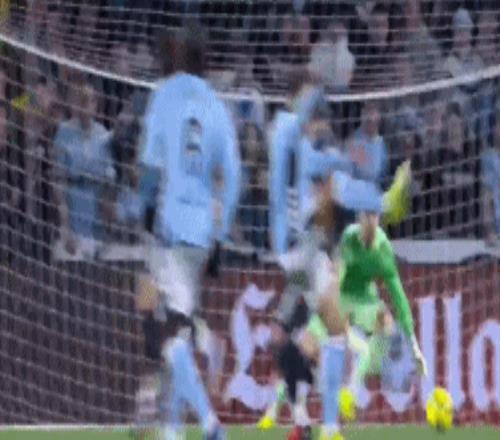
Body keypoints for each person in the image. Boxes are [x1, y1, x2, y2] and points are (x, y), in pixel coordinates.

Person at [263, 73, 412, 440]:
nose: (317, 114)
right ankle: (324, 423)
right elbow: (323, 169)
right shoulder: (288, 130)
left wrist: (337, 159)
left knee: (300, 335)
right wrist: (343, 161)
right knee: (326, 334)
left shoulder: (293, 136)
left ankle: (308, 423)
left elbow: (320, 170)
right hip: (299, 244)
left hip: (301, 248)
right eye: (311, 104)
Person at [139, 22, 241, 440]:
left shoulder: (164, 95)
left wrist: (144, 210)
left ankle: (210, 423)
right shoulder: (218, 107)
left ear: (179, 55)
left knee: (169, 335)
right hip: (202, 234)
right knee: (180, 325)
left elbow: (150, 166)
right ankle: (172, 427)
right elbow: (233, 178)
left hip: (171, 228)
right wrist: (221, 233)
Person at [313, 212, 428, 429]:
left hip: (365, 299)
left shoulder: (383, 250)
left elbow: (399, 298)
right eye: (366, 216)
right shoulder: (349, 238)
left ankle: (352, 390)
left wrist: (414, 345)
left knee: (386, 324)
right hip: (342, 295)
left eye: (374, 217)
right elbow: (337, 275)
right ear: (359, 219)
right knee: (314, 345)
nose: (369, 222)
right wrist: (332, 306)